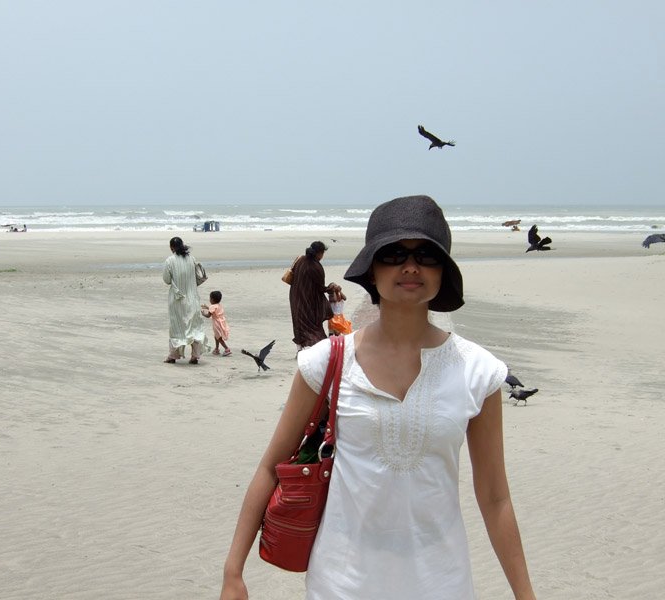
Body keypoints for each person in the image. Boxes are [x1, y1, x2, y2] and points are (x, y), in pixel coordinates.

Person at [220, 196, 536, 600]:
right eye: (393, 254)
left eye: (426, 254)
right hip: (340, 584)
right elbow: (269, 468)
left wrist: (525, 595)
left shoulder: (479, 372)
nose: (410, 266)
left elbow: (495, 497)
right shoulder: (324, 363)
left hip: (442, 584)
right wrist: (233, 573)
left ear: (443, 271)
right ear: (372, 269)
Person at [162, 237, 210, 364]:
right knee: (194, 327)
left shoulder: (169, 261)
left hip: (177, 300)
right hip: (193, 298)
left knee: (177, 327)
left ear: (171, 247)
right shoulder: (191, 259)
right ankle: (195, 356)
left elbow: (166, 280)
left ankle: (173, 356)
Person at [289, 241, 341, 350]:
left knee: (299, 322)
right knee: (312, 325)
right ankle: (315, 347)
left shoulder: (301, 260)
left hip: (295, 297)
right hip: (308, 300)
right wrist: (331, 287)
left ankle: (300, 349)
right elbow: (320, 288)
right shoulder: (316, 266)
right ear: (320, 253)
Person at [201, 290, 232, 356]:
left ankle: (227, 349)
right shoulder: (219, 305)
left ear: (212, 299)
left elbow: (208, 315)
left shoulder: (212, 306)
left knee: (219, 337)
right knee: (216, 336)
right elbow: (213, 309)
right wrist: (207, 307)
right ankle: (217, 349)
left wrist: (203, 314)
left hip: (216, 323)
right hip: (222, 321)